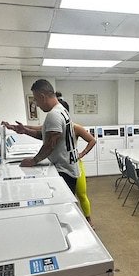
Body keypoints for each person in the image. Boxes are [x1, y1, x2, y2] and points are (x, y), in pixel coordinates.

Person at [1, 79, 80, 194]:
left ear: (42, 96)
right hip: (68, 167)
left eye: (36, 99)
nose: (37, 104)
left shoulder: (54, 115)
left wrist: (34, 161)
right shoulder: (62, 110)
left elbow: (49, 145)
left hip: (64, 171)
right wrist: (25, 130)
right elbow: (46, 136)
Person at [56, 94, 96, 228]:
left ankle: (89, 221)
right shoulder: (52, 127)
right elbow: (37, 130)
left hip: (75, 165)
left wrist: (82, 154)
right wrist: (24, 129)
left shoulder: (75, 127)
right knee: (66, 198)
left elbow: (92, 140)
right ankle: (72, 221)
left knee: (81, 194)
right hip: (60, 166)